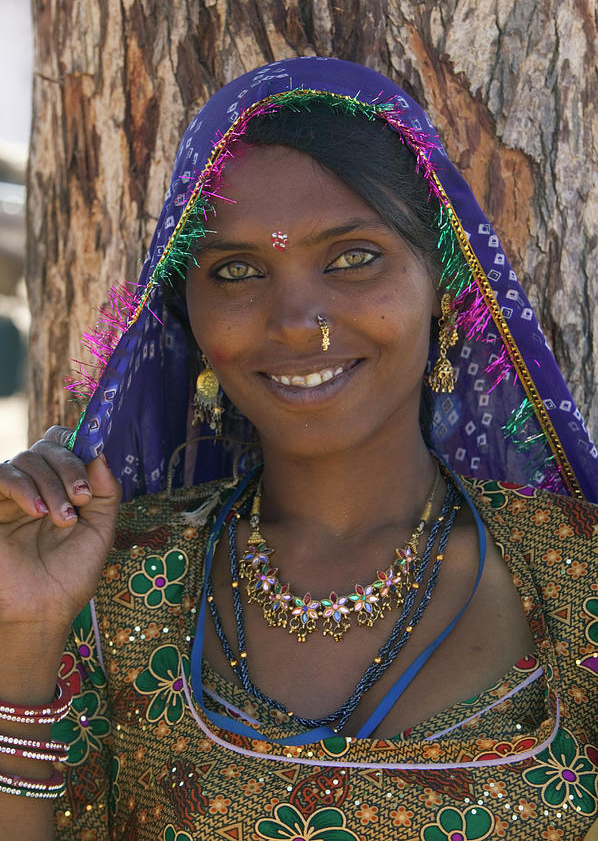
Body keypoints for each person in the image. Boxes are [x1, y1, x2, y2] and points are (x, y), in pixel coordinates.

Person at [0, 58, 596, 841]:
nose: (296, 320)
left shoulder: (577, 575)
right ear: (192, 318)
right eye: (238, 270)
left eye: (353, 257)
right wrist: (25, 636)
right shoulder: (112, 583)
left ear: (443, 283)